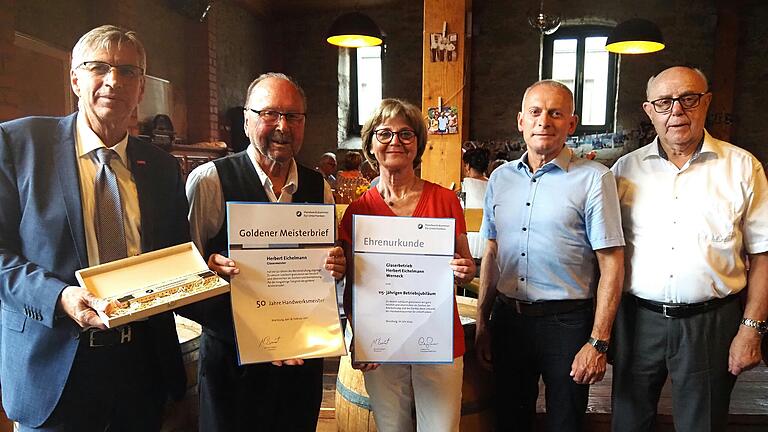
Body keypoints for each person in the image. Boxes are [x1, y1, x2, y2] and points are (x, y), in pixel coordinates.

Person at [0, 25, 188, 431]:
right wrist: (61, 297)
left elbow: (175, 257)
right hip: (53, 370)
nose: (113, 80)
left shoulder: (160, 167)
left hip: (140, 372)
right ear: (75, 79)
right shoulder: (19, 145)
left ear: (140, 89)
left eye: (128, 71)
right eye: (97, 67)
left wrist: (205, 271)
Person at [184, 72, 346, 432]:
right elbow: (184, 278)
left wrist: (337, 264)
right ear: (246, 121)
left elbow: (325, 267)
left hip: (299, 365)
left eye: (293, 116)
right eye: (270, 113)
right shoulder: (210, 180)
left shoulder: (319, 188)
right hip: (233, 366)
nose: (282, 126)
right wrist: (207, 270)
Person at [610, 66, 768, 432]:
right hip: (637, 322)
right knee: (628, 423)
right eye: (664, 102)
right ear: (649, 110)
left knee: (703, 425)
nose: (676, 111)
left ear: (706, 103)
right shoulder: (623, 171)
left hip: (711, 324)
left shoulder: (742, 168)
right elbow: (605, 254)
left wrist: (752, 328)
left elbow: (762, 256)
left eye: (688, 99)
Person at [475, 80, 625, 432]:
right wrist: (483, 322)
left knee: (565, 422)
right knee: (509, 420)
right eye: (536, 112)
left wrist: (598, 340)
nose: (544, 121)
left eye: (556, 113)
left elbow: (612, 263)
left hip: (567, 324)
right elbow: (492, 251)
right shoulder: (500, 178)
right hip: (509, 320)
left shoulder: (594, 179)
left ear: (571, 124)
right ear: (520, 121)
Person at [338, 98, 476, 432]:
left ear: (418, 143)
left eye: (405, 134)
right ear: (371, 145)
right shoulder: (358, 211)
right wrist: (360, 333)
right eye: (384, 134)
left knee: (441, 429)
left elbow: (466, 262)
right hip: (381, 341)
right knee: (391, 427)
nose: (395, 142)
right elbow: (351, 285)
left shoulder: (445, 200)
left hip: (437, 335)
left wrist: (466, 270)